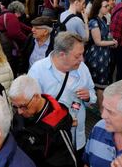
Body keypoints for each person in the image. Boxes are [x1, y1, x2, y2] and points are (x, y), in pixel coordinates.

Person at [28, 32, 96, 164]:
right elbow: (31, 109)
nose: (82, 59)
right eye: (77, 56)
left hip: (78, 137)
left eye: (82, 54)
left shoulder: (82, 69)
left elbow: (92, 92)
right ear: (62, 55)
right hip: (51, 140)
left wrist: (88, 96)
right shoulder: (38, 71)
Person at [10, 75, 76, 167]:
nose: (19, 112)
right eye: (15, 106)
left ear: (36, 97)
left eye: (23, 106)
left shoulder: (57, 130)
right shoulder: (23, 109)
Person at [85, 0, 118, 112]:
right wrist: (112, 42)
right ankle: (101, 110)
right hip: (97, 55)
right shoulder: (94, 21)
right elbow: (98, 41)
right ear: (98, 8)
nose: (108, 8)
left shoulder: (103, 19)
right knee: (100, 85)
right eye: (105, 6)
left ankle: (99, 108)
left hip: (103, 54)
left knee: (101, 83)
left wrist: (111, 42)